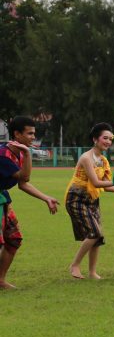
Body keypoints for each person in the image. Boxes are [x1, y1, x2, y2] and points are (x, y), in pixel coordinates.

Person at [0, 116, 60, 290]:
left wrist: (46, 198)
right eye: (30, 133)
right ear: (17, 134)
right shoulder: (3, 155)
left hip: (3, 198)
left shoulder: (18, 152)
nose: (33, 137)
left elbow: (23, 184)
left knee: (13, 239)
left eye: (34, 133)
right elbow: (24, 177)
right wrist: (27, 153)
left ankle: (0, 280)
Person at [65, 122, 114, 279]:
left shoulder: (103, 160)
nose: (108, 142)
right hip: (76, 199)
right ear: (95, 139)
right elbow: (96, 182)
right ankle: (74, 265)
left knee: (98, 237)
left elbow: (107, 187)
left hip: (92, 199)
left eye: (110, 139)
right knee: (94, 232)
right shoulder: (86, 158)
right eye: (105, 138)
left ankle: (92, 272)